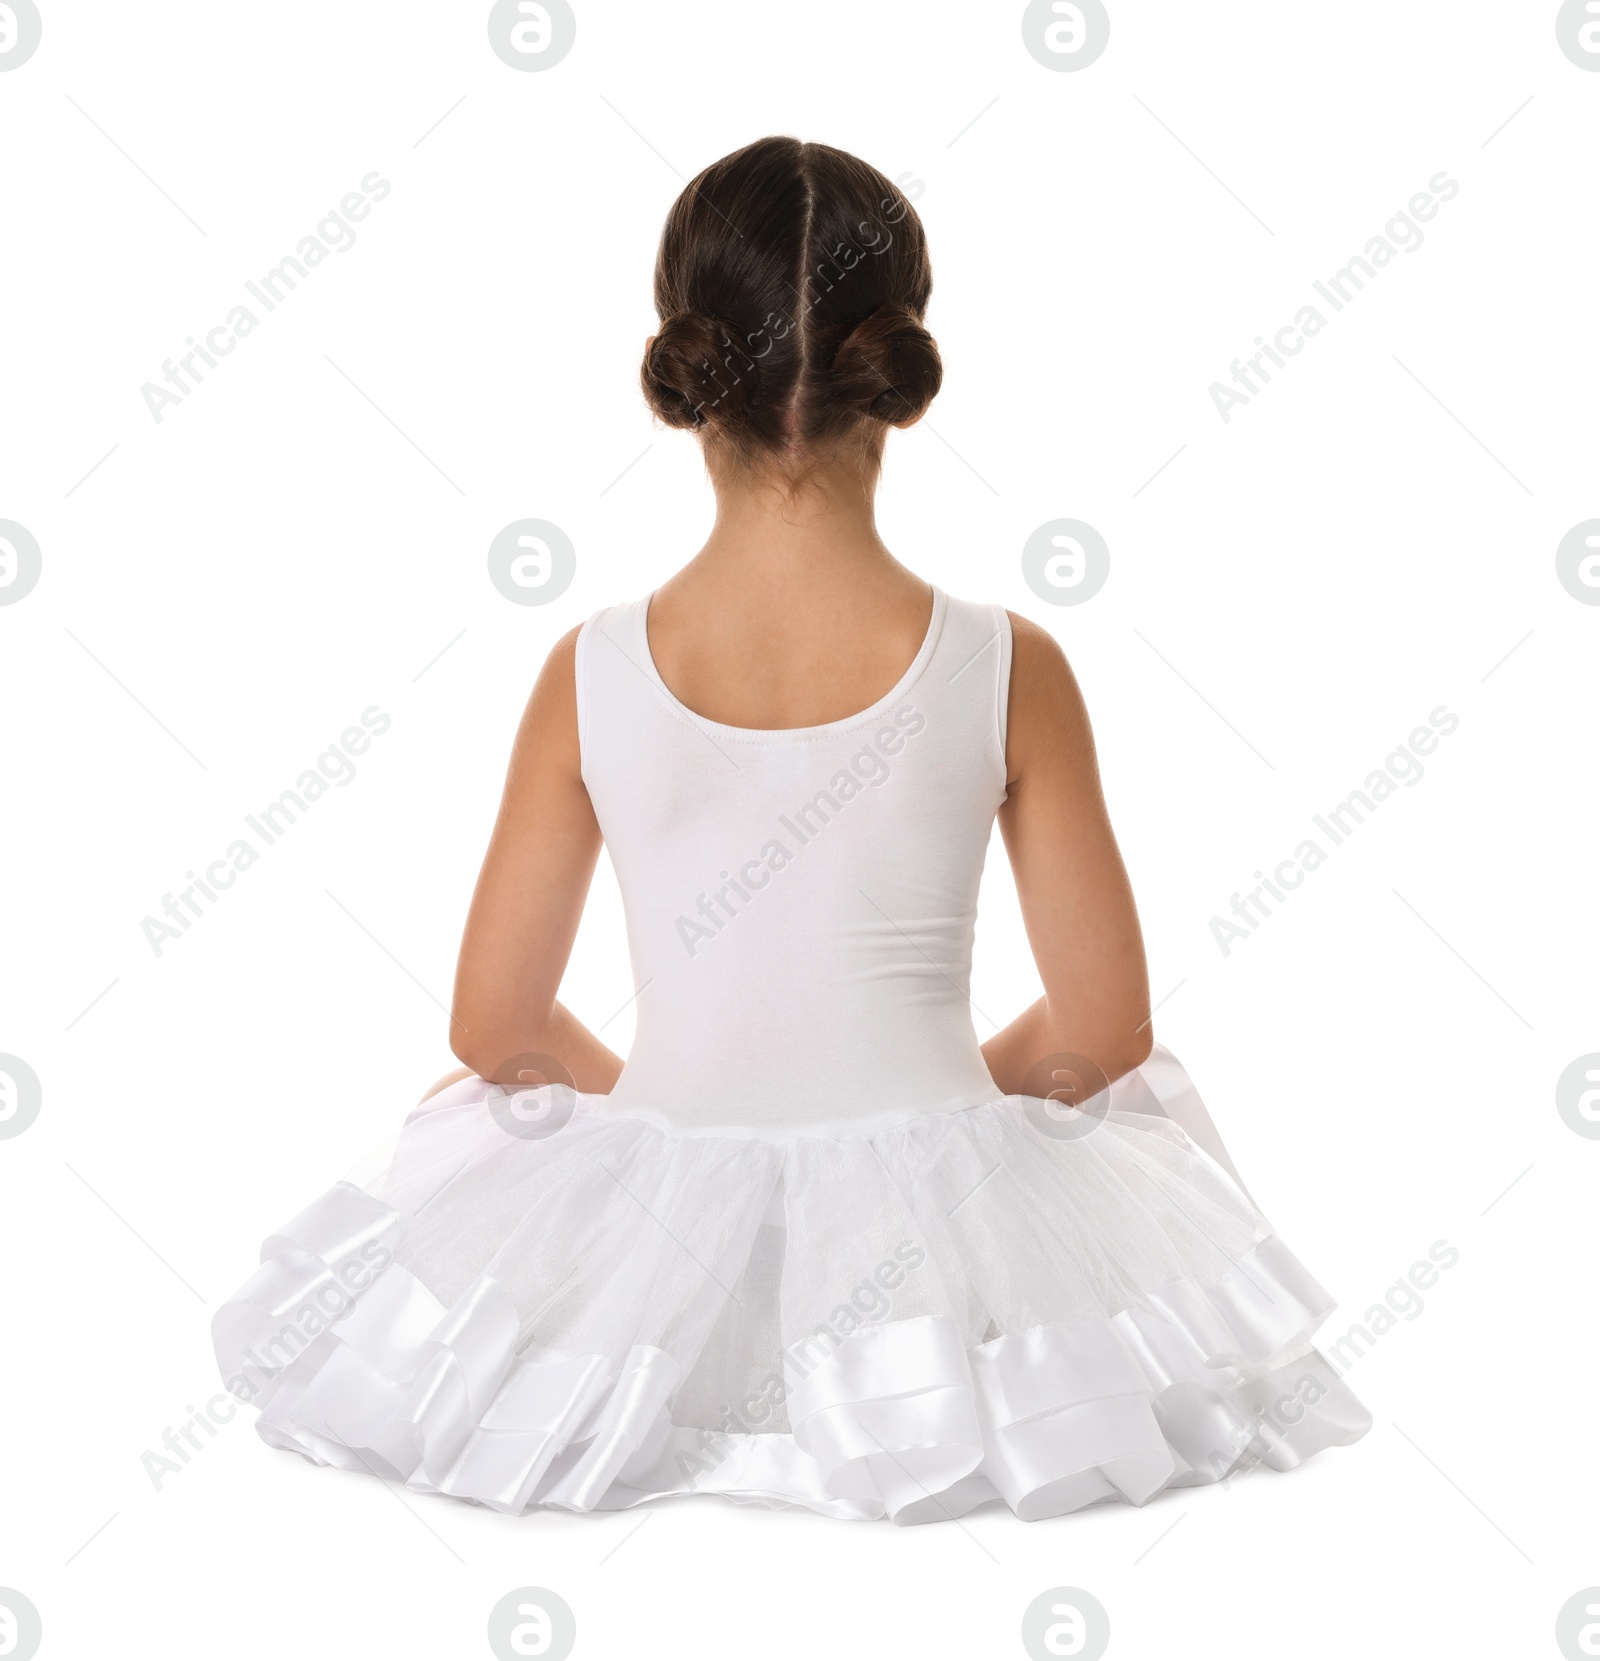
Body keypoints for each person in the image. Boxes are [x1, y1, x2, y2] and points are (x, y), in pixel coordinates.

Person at [213, 136, 1369, 1525]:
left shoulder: (589, 670)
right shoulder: (1012, 665)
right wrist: (951, 1123)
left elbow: (497, 1025)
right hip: (943, 1270)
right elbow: (1107, 1027)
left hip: (658, 1214)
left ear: (688, 377)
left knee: (470, 1118)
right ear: (901, 376)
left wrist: (661, 1126)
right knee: (1145, 1104)